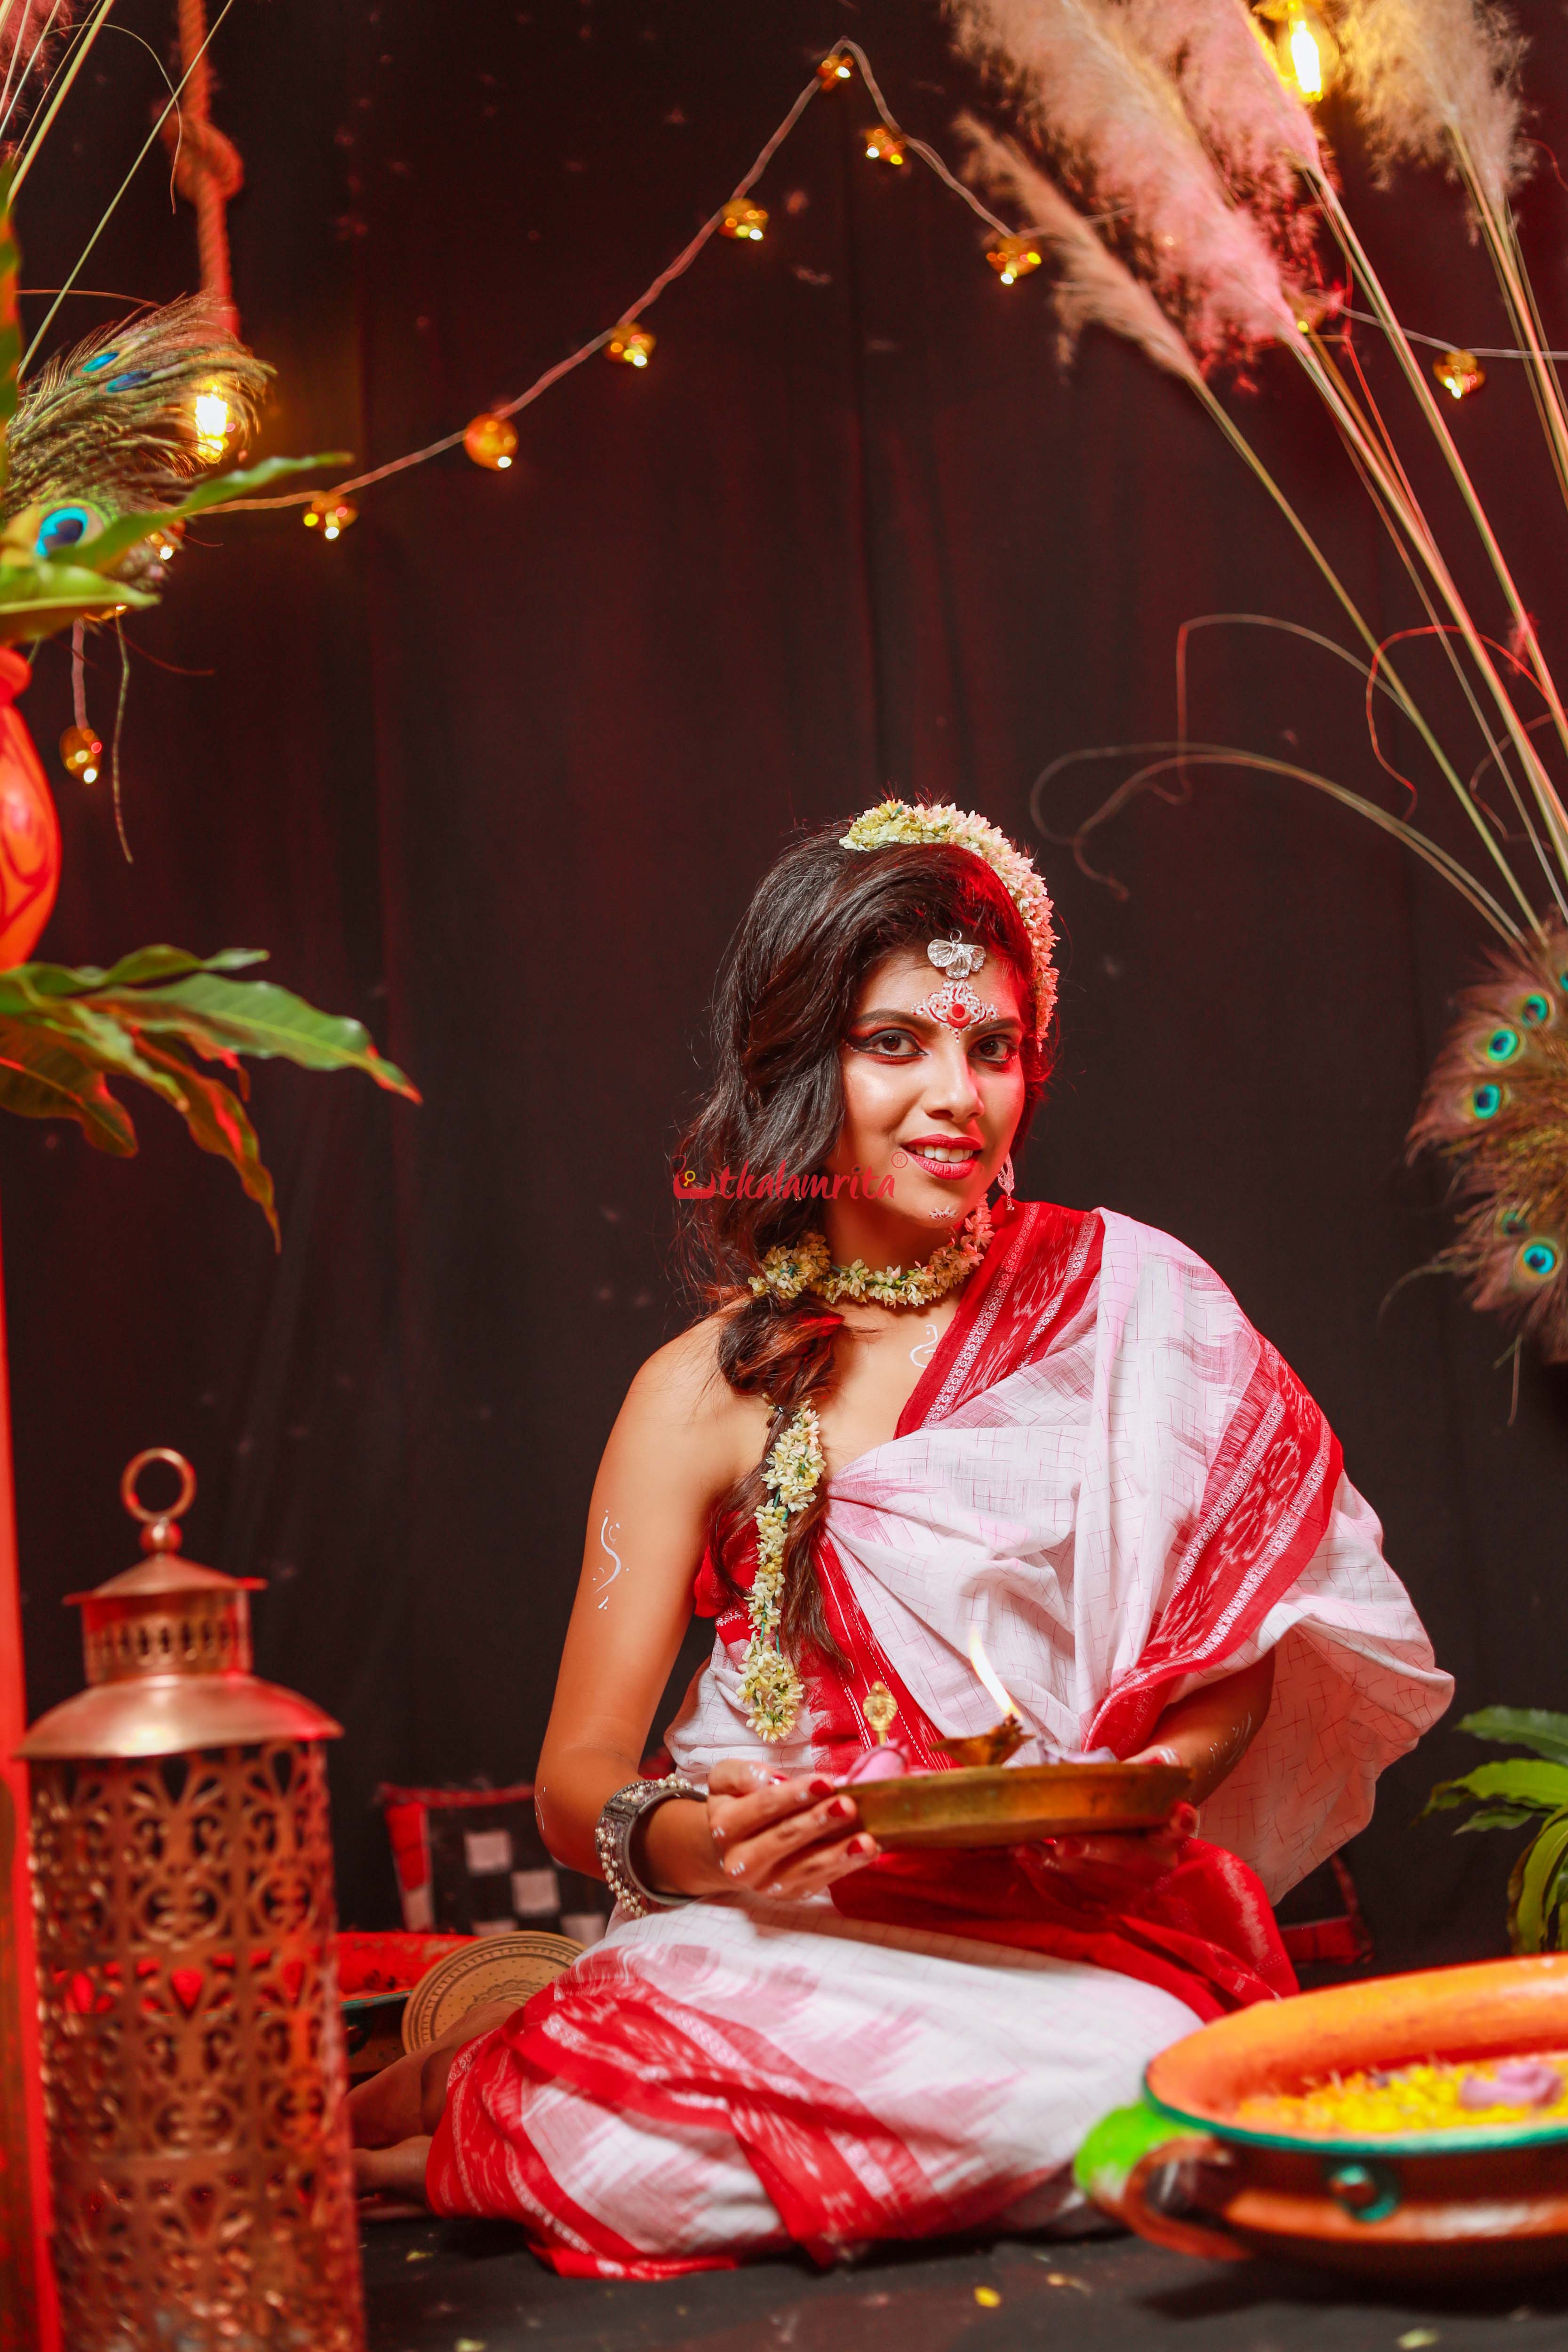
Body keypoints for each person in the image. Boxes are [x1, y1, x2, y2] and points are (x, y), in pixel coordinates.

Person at [350, 799, 1451, 2274]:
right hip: (781, 1926)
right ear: (806, 1064)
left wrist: (1148, 1782)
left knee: (1135, 2090)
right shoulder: (696, 1392)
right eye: (897, 1045)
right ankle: (506, 2101)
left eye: (992, 1048)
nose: (958, 1096)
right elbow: (578, 1781)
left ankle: (501, 2104)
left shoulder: (1131, 1301)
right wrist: (713, 1850)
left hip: (1053, 1934)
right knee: (626, 2152)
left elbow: (1233, 1632)